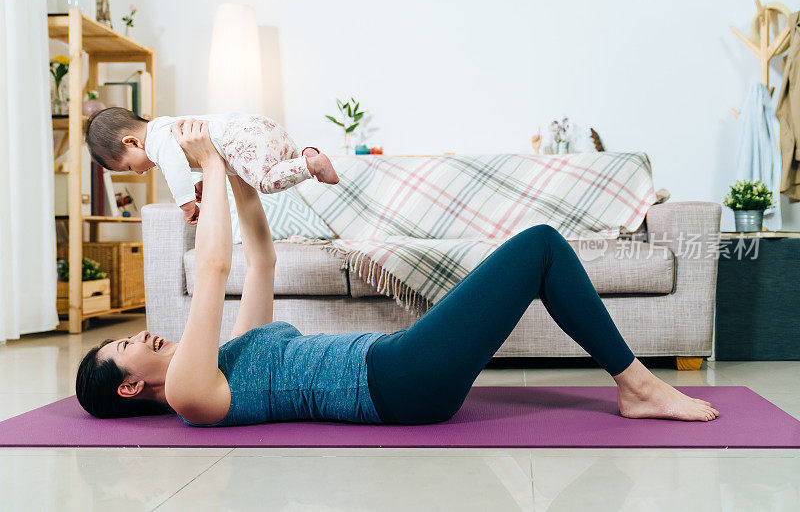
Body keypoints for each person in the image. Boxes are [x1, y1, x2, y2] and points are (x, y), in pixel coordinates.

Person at [76, 119, 719, 426]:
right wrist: (205, 171)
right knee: (541, 246)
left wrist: (232, 170)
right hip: (396, 382)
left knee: (539, 249)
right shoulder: (192, 393)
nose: (146, 337)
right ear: (129, 387)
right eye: (128, 346)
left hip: (396, 363)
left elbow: (258, 258)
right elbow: (213, 266)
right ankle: (637, 386)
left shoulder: (222, 359)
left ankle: (636, 385)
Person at [84, 107, 340, 224]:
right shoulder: (164, 126)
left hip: (241, 138)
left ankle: (312, 165)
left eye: (129, 167)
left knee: (264, 181)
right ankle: (303, 153)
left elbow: (176, 171)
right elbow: (214, 154)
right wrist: (204, 182)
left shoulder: (156, 143)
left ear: (132, 142)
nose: (139, 172)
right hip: (256, 126)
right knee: (280, 162)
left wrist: (187, 205)